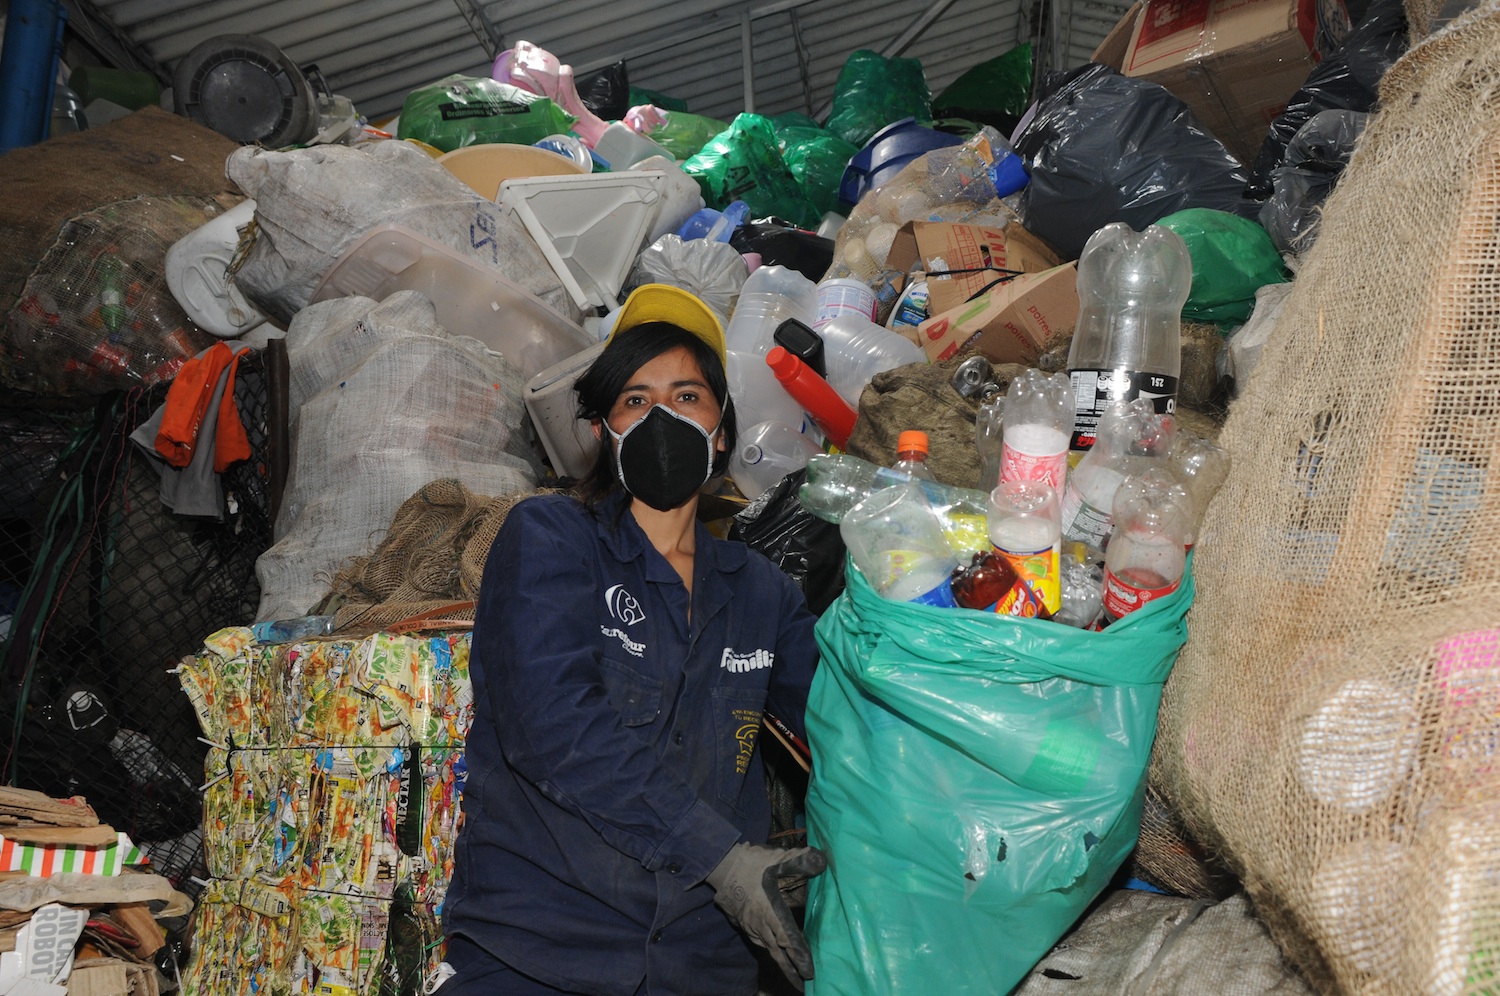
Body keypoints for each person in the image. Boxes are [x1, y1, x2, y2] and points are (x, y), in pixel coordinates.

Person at [442, 284, 826, 995]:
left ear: (720, 433)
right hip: (540, 951)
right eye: (636, 400)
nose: (662, 417)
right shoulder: (551, 539)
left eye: (687, 397)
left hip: (700, 966)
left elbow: (837, 722)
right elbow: (553, 727)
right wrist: (721, 860)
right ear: (603, 432)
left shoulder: (761, 592)